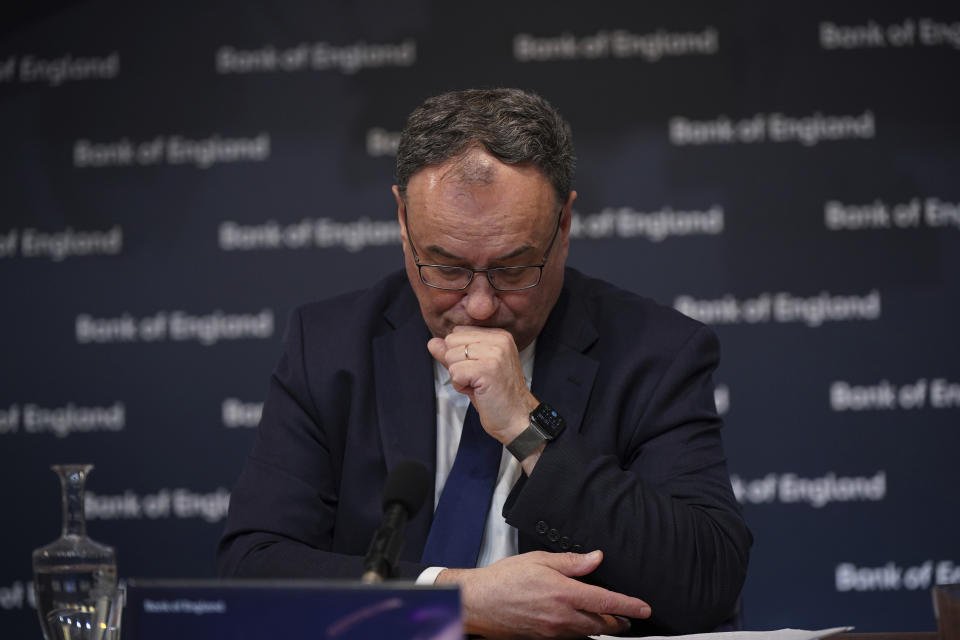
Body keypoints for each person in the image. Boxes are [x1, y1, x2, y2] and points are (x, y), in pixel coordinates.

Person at [217, 88, 751, 637]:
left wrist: (529, 428)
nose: (478, 304)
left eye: (515, 269)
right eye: (445, 269)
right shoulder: (329, 347)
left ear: (563, 227)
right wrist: (456, 598)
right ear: (403, 221)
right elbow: (253, 568)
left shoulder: (655, 353)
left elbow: (706, 581)